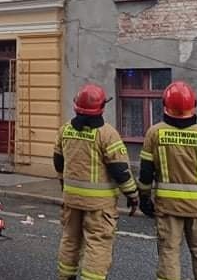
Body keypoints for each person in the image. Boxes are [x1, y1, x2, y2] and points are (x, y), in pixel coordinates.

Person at [138, 81, 197, 280]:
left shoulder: (154, 133)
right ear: (194, 104)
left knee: (169, 253)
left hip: (168, 208)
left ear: (164, 105)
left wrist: (143, 198)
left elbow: (145, 172)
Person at [55, 83, 139, 280]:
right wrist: (133, 195)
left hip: (71, 199)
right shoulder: (107, 134)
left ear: (77, 106)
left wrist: (63, 183)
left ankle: (65, 276)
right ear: (101, 107)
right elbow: (120, 170)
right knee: (98, 244)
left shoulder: (65, 130)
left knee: (70, 239)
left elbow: (58, 161)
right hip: (99, 205)